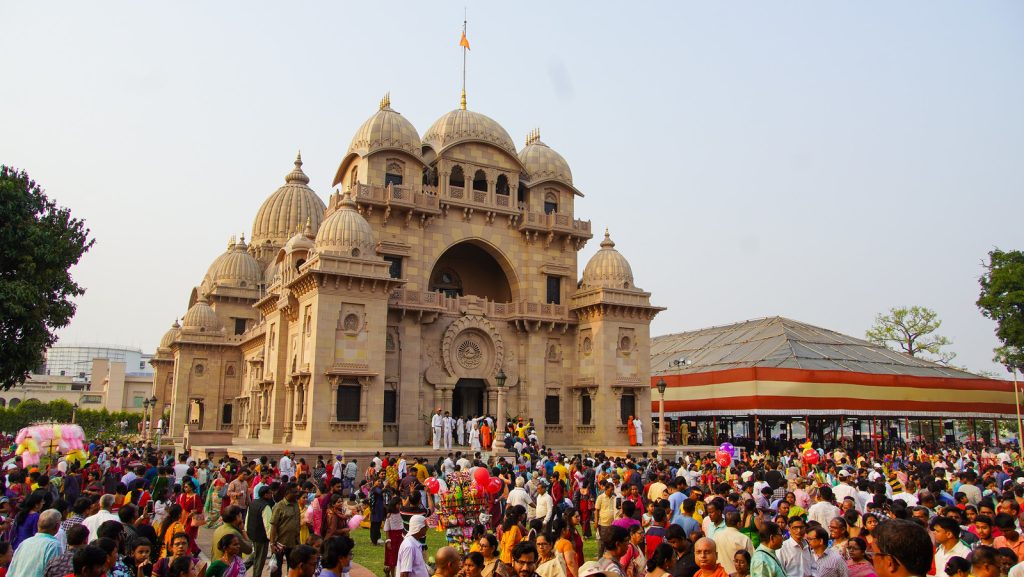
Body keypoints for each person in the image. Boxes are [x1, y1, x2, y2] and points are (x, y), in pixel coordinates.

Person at [9, 510, 63, 577]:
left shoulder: (24, 543)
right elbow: (54, 573)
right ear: (57, 526)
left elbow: (10, 572)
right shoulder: (54, 545)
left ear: (38, 524)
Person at [269, 484, 302, 577]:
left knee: (292, 567)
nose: (297, 494)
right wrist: (272, 544)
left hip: (293, 542)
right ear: (287, 493)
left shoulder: (296, 503)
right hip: (280, 543)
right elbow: (273, 526)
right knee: (276, 569)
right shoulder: (279, 506)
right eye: (295, 492)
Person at [245, 486, 273, 577]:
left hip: (252, 534)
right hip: (261, 537)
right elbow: (268, 525)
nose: (271, 494)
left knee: (256, 554)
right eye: (270, 493)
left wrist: (246, 531)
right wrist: (272, 540)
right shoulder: (266, 506)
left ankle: (242, 568)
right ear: (265, 495)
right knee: (259, 560)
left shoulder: (253, 503)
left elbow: (247, 518)